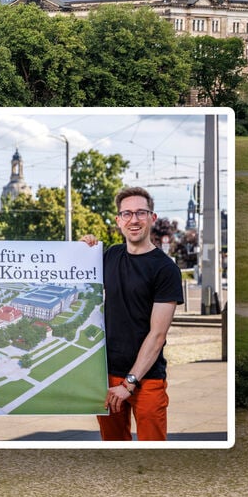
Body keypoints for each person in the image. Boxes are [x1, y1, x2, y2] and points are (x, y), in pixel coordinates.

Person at [82, 186, 184, 441]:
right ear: (118, 221)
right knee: (115, 452)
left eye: (140, 212)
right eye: (126, 214)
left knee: (152, 457)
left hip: (146, 380)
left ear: (152, 217)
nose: (133, 219)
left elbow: (157, 335)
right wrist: (82, 250)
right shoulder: (110, 256)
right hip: (107, 374)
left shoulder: (165, 269)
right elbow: (75, 281)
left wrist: (129, 383)